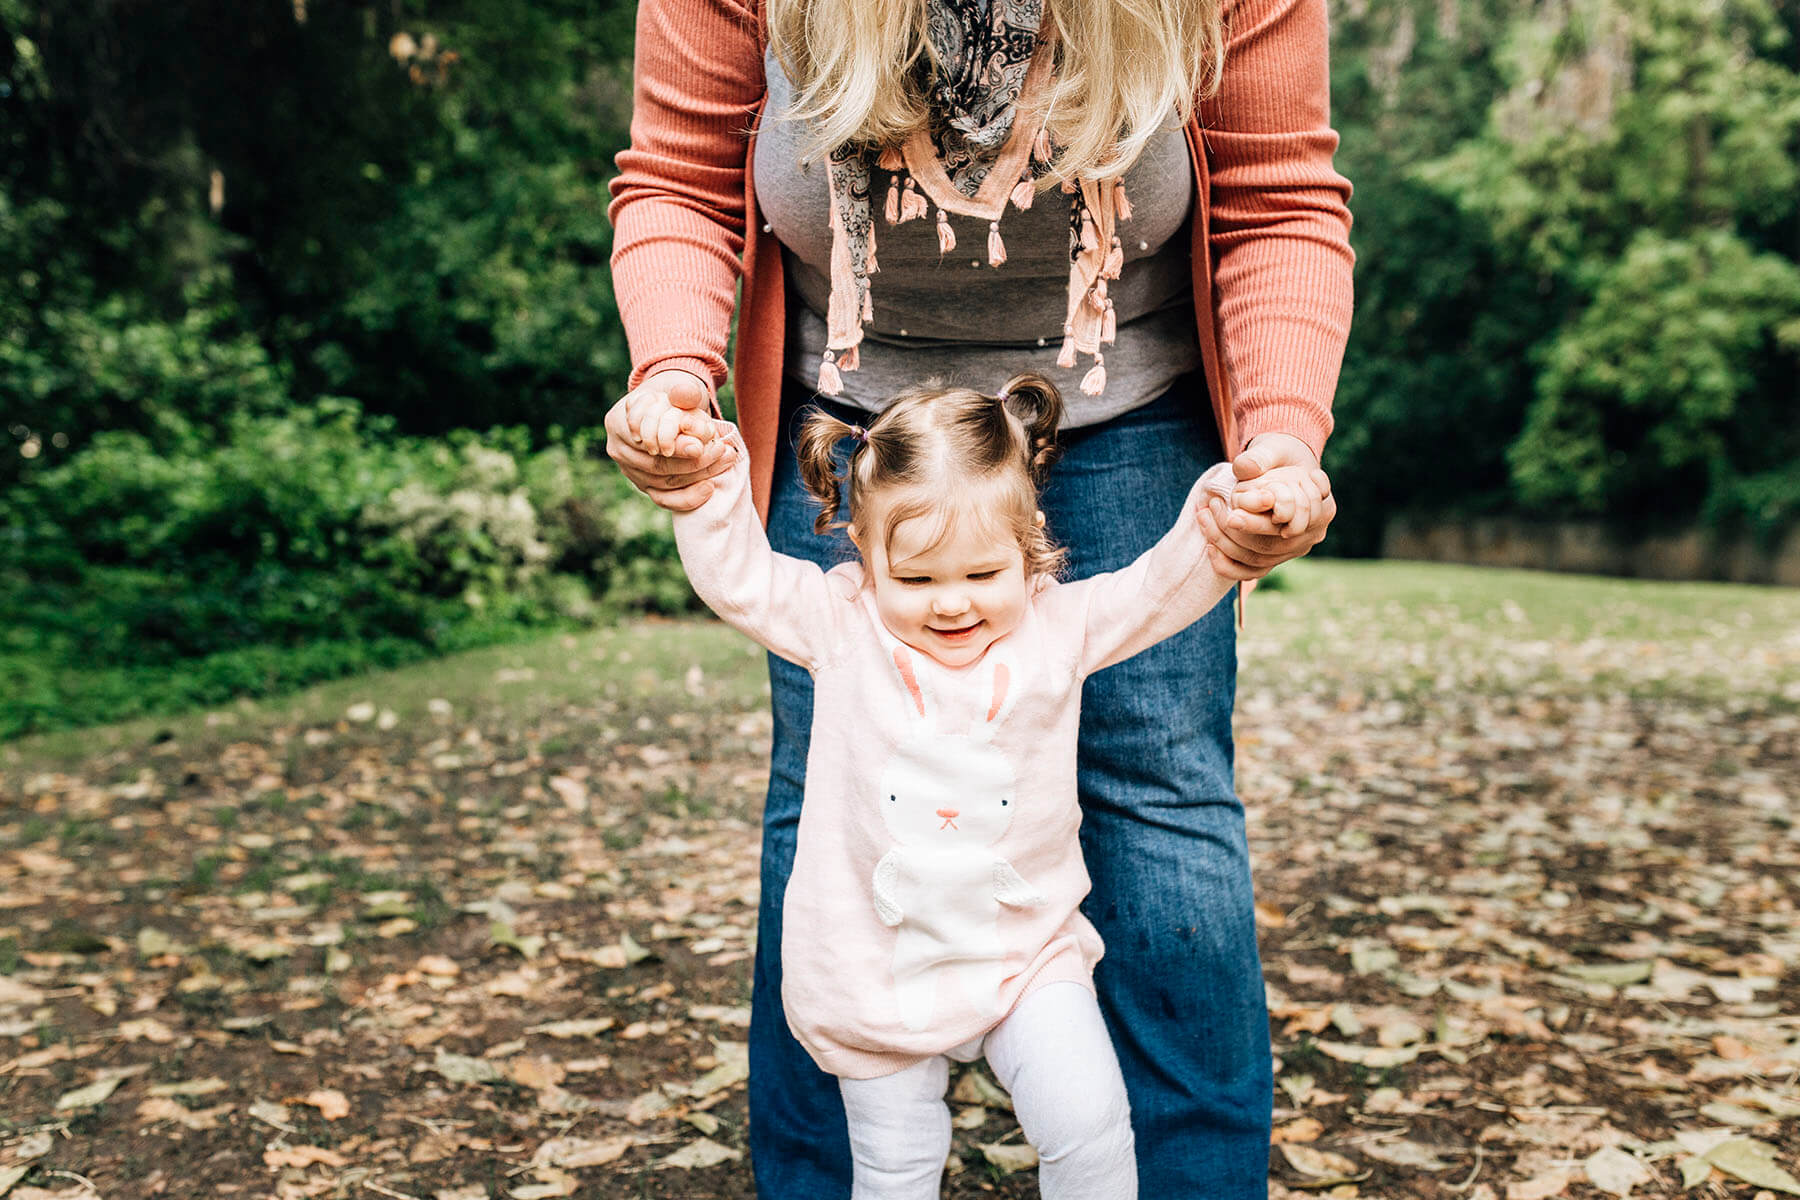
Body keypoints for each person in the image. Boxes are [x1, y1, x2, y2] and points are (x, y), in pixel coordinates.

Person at [604, 0, 1352, 1193]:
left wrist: (1276, 441)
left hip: (1122, 411)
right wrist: (678, 381)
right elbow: (682, 176)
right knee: (836, 800)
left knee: (1160, 796)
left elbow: (1275, 196)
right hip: (852, 424)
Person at [630, 370, 1324, 1198]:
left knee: (1089, 1121)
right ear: (864, 550)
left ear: (1028, 541)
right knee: (895, 1164)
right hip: (875, 960)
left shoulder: (1058, 626)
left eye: (980, 576)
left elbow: (1158, 591)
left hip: (1026, 950)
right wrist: (707, 488)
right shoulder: (841, 626)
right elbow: (739, 578)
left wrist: (1223, 516)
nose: (951, 605)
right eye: (917, 580)